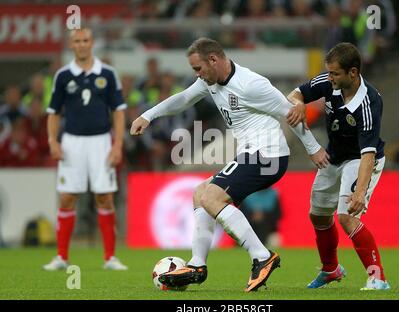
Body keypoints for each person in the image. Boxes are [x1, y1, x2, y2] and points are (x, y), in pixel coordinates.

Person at [131, 37, 329, 292]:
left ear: (213, 59)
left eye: (198, 68)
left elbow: (292, 113)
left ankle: (261, 256)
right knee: (200, 193)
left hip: (268, 155)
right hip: (250, 154)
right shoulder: (209, 81)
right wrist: (148, 115)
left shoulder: (251, 85)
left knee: (212, 198)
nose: (197, 75)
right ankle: (197, 265)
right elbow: (182, 99)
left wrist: (313, 149)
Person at [286, 42, 390, 290]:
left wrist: (360, 191)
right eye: (328, 72)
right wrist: (299, 103)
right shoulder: (328, 82)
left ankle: (378, 278)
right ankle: (330, 270)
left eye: (335, 73)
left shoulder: (369, 102)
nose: (329, 77)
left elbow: (367, 153)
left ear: (353, 72)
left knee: (346, 217)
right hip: (334, 156)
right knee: (318, 215)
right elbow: (295, 94)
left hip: (362, 159)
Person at [43, 28, 128, 271]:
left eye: (86, 40)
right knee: (68, 197)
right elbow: (53, 113)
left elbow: (119, 111)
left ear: (92, 43)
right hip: (72, 142)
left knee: (105, 197)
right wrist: (53, 141)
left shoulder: (108, 74)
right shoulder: (63, 76)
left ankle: (110, 257)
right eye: (77, 41)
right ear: (71, 45)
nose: (82, 45)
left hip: (101, 141)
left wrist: (117, 144)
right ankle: (61, 257)